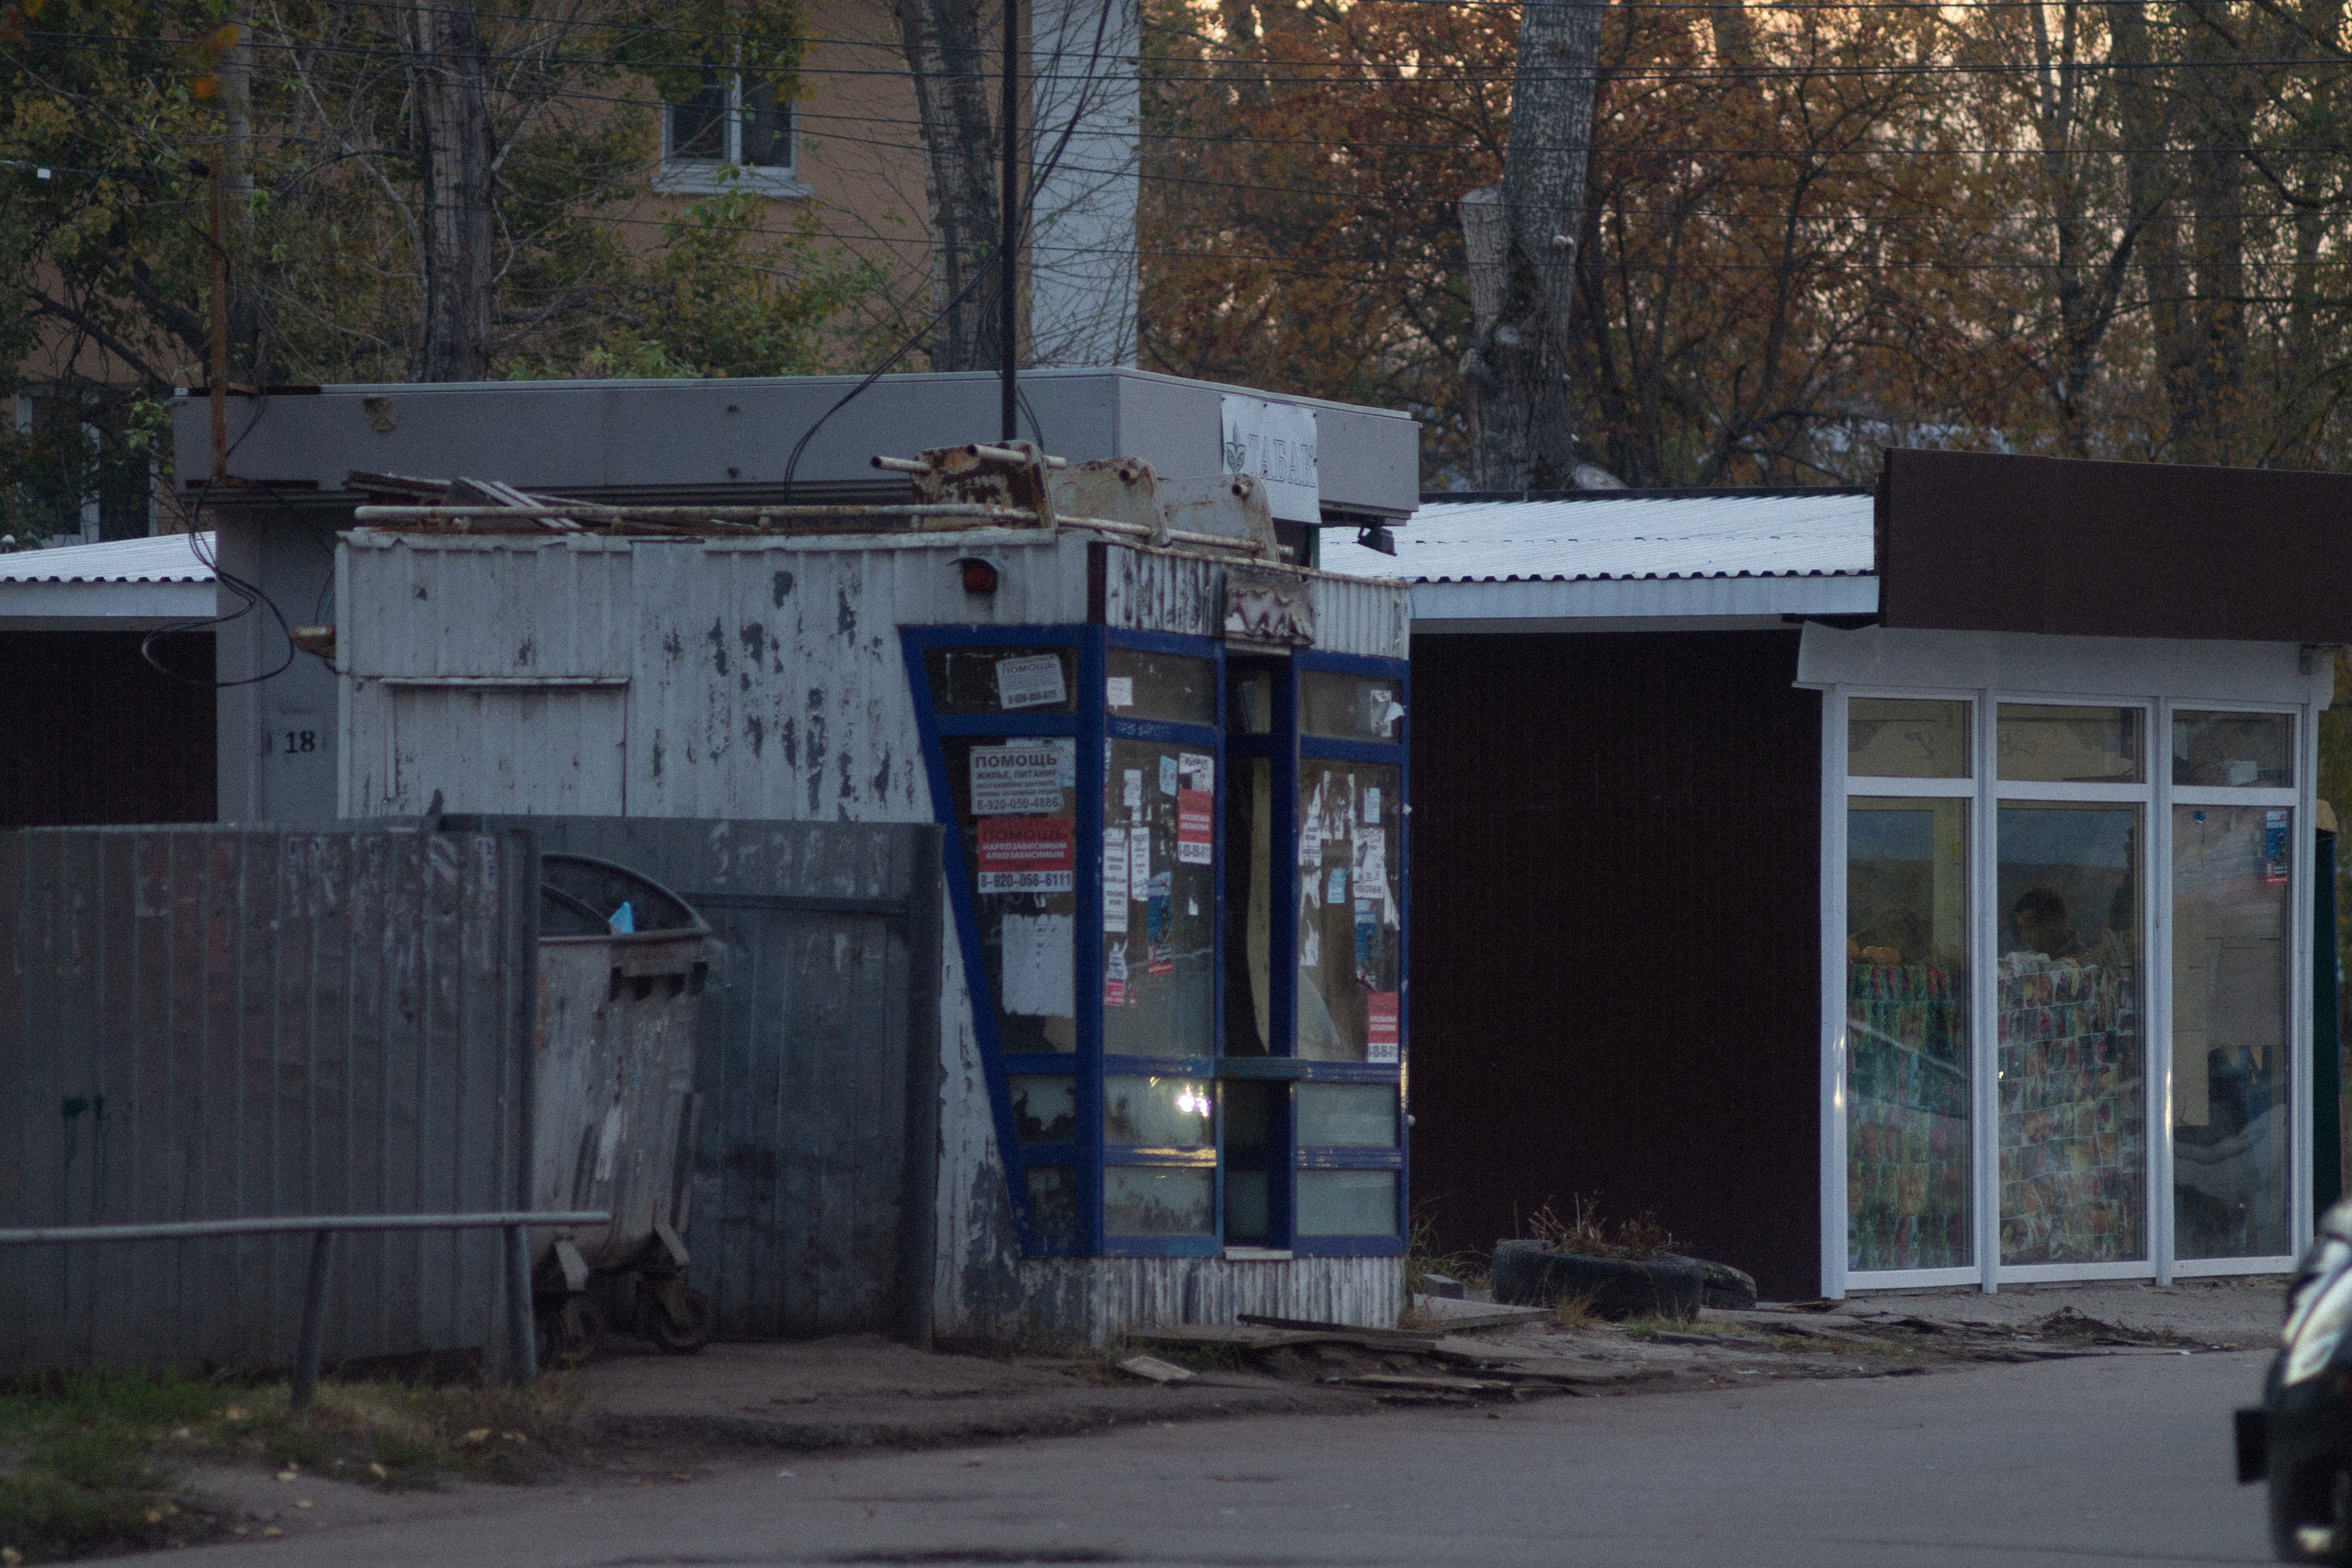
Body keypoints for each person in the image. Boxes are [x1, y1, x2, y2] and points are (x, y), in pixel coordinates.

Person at [2010, 887, 2080, 960]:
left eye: (2030, 927)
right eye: (2021, 928)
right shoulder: (2025, 961)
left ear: (2054, 921)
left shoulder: (2084, 959)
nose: (2024, 936)